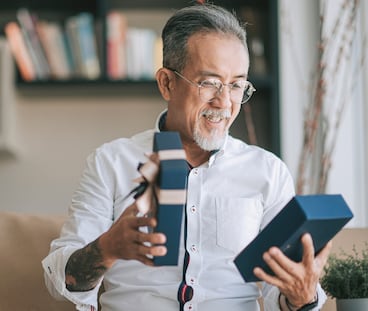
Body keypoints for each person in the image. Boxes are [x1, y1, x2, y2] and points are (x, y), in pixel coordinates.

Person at [42, 3, 331, 311]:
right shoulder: (111, 162)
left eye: (236, 85)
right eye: (209, 82)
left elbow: (278, 298)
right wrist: (107, 248)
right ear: (167, 82)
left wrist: (303, 296)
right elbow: (63, 282)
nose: (224, 102)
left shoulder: (268, 172)